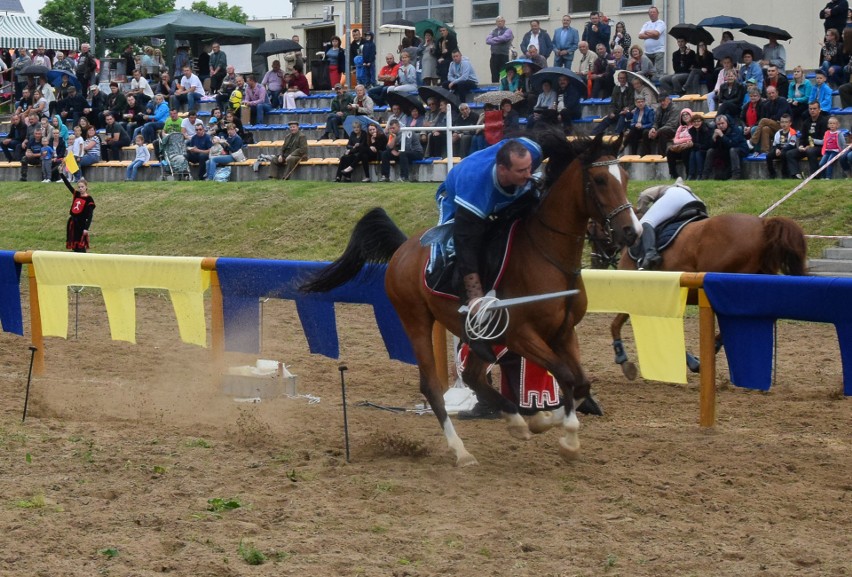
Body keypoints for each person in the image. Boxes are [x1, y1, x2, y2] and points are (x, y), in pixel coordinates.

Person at [433, 137, 543, 356]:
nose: (529, 174)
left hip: (503, 195)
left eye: (530, 167)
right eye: (522, 170)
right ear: (502, 169)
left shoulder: (533, 151)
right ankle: (473, 325)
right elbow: (467, 245)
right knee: (457, 252)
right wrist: (475, 294)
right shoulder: (474, 189)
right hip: (458, 201)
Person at [634, 180, 704, 270]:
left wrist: (643, 211)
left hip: (675, 197)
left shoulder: (661, 188)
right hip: (697, 202)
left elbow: (644, 196)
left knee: (645, 222)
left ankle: (650, 254)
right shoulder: (686, 190)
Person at [787, 101, 830, 179]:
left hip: (821, 147)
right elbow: (803, 137)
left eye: (814, 109)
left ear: (819, 110)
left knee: (811, 151)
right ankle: (796, 175)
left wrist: (809, 146)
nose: (812, 110)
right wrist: (800, 146)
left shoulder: (824, 121)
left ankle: (815, 175)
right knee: (790, 153)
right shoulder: (806, 122)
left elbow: (823, 140)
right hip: (807, 147)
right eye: (810, 109)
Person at [702, 114, 748, 180]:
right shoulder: (715, 130)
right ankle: (705, 176)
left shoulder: (735, 129)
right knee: (710, 151)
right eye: (718, 124)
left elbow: (732, 144)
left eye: (722, 123)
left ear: (727, 122)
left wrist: (722, 136)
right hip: (725, 151)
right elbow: (709, 146)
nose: (721, 126)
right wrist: (713, 138)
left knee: (732, 150)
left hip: (740, 149)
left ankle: (736, 175)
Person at [747, 85, 791, 154]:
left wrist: (772, 118)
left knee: (764, 120)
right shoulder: (767, 103)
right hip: (775, 126)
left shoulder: (782, 101)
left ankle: (752, 141)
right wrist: (773, 118)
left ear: (777, 92)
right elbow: (768, 116)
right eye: (769, 93)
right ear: (767, 94)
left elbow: (779, 116)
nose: (771, 95)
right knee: (765, 128)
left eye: (773, 93)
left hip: (785, 126)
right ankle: (765, 151)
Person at [379, 118, 423, 183]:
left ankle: (404, 177)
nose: (392, 130)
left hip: (416, 152)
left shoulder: (407, 131)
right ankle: (385, 176)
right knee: (385, 153)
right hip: (401, 153)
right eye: (390, 128)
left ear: (399, 127)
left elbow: (407, 147)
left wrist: (397, 152)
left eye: (393, 128)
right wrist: (393, 139)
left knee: (403, 153)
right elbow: (388, 148)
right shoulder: (391, 135)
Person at [593, 71, 634, 135]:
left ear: (626, 78)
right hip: (617, 111)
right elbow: (612, 103)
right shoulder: (616, 88)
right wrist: (611, 112)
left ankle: (616, 134)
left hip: (626, 113)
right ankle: (593, 134)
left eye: (624, 78)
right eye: (621, 78)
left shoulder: (631, 87)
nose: (622, 80)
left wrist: (628, 109)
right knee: (607, 119)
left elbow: (633, 103)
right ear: (618, 79)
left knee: (622, 116)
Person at [62, 176, 95, 253]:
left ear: (86, 187)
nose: (80, 188)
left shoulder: (89, 199)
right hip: (72, 223)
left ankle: (83, 260)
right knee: (74, 244)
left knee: (81, 244)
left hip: (81, 223)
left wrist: (86, 228)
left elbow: (90, 215)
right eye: (79, 187)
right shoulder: (76, 194)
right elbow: (68, 185)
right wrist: (61, 174)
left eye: (82, 187)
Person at [766, 114, 799, 179]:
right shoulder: (778, 132)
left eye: (786, 122)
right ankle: (772, 174)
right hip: (780, 149)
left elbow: (791, 145)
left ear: (790, 123)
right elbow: (775, 144)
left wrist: (782, 150)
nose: (784, 124)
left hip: (789, 149)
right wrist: (776, 149)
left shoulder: (792, 132)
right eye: (782, 122)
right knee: (769, 156)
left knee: (784, 154)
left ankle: (785, 174)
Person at [638, 5, 666, 77]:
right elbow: (640, 36)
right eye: (650, 12)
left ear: (657, 13)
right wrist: (653, 35)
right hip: (647, 52)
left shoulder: (661, 23)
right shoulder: (646, 24)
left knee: (659, 72)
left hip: (658, 51)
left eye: (653, 12)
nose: (652, 14)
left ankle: (660, 88)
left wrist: (646, 32)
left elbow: (657, 33)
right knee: (647, 72)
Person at [666, 108, 694, 178]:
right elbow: (675, 140)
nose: (685, 116)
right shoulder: (680, 127)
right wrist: (684, 140)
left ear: (691, 115)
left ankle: (689, 174)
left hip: (689, 147)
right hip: (680, 147)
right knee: (669, 151)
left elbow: (692, 138)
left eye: (687, 114)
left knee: (686, 151)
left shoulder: (693, 126)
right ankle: (673, 174)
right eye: (683, 115)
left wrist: (682, 140)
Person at [686, 112, 712, 180]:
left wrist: (694, 144)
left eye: (698, 121)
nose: (696, 123)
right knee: (692, 153)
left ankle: (700, 174)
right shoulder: (691, 130)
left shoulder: (706, 130)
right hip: (695, 149)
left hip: (706, 150)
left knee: (698, 153)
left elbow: (706, 145)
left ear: (702, 121)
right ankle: (691, 174)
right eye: (694, 122)